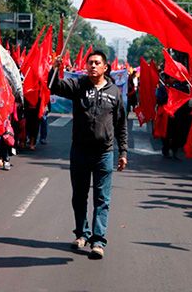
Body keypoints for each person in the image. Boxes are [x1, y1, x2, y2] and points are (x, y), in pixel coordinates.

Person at [48, 50, 128, 259]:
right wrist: (55, 69)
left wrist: (124, 152)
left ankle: (98, 241)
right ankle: (82, 233)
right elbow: (55, 86)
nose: (93, 66)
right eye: (90, 62)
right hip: (80, 151)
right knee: (79, 196)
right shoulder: (78, 86)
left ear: (105, 67)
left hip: (104, 153)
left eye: (97, 63)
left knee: (102, 199)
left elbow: (121, 125)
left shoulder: (115, 93)